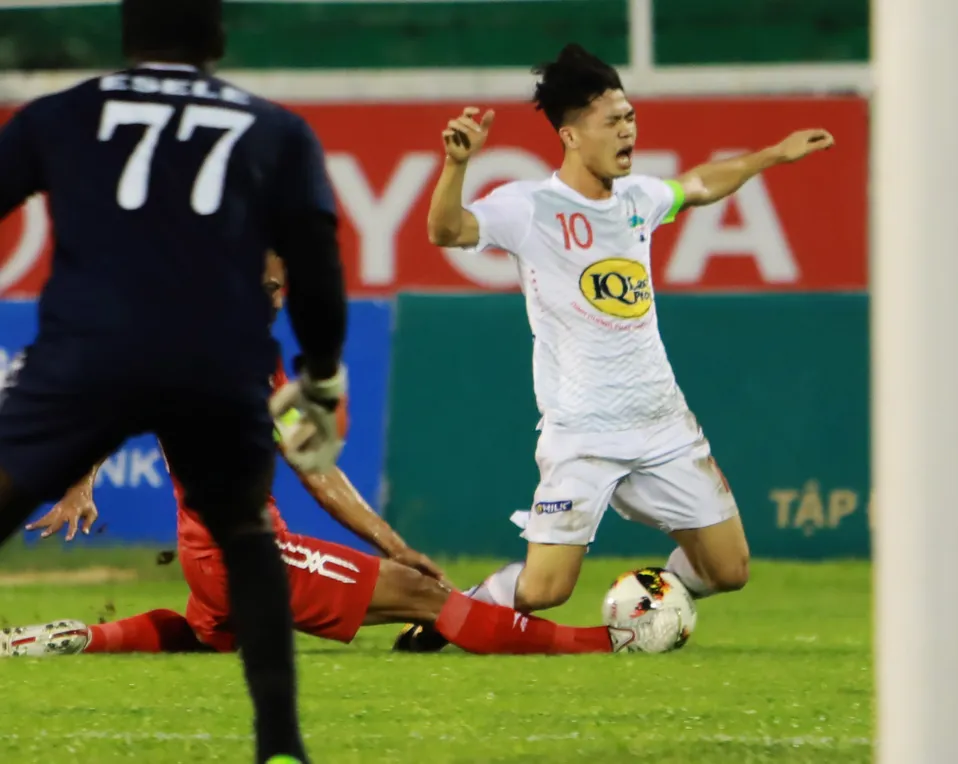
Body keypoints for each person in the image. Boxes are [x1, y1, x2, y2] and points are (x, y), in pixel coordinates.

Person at [399, 43, 835, 651]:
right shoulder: (530, 207)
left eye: (630, 117)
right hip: (583, 433)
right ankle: (452, 612)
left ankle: (646, 604)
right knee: (544, 590)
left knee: (728, 569)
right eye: (613, 121)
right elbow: (445, 230)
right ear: (572, 135)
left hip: (662, 425)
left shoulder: (638, 199)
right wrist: (456, 165)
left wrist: (773, 155)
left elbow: (699, 185)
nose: (628, 129)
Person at [0, 3, 349, 762]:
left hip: (88, 351)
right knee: (246, 534)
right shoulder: (275, 128)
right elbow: (318, 267)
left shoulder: (60, 114)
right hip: (215, 358)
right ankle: (280, 743)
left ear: (127, 36)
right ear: (216, 38)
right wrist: (321, 378)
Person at [3, 257, 661, 659]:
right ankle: (609, 641)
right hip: (243, 558)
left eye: (279, 288)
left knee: (206, 638)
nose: (275, 299)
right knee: (424, 596)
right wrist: (79, 483)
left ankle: (79, 637)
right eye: (266, 286)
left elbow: (317, 470)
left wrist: (394, 543)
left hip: (219, 558)